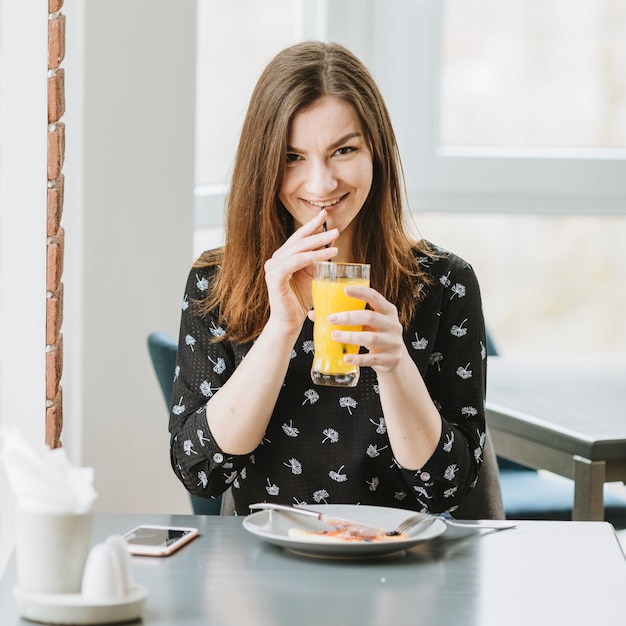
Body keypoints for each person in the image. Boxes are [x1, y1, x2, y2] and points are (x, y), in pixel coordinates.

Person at [169, 41, 488, 517]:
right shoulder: (216, 282)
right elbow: (201, 472)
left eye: (343, 150)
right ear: (263, 163)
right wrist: (280, 330)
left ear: (376, 152)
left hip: (398, 569)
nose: (320, 185)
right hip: (264, 567)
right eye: (292, 157)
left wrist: (395, 364)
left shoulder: (445, 284)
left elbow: (448, 489)